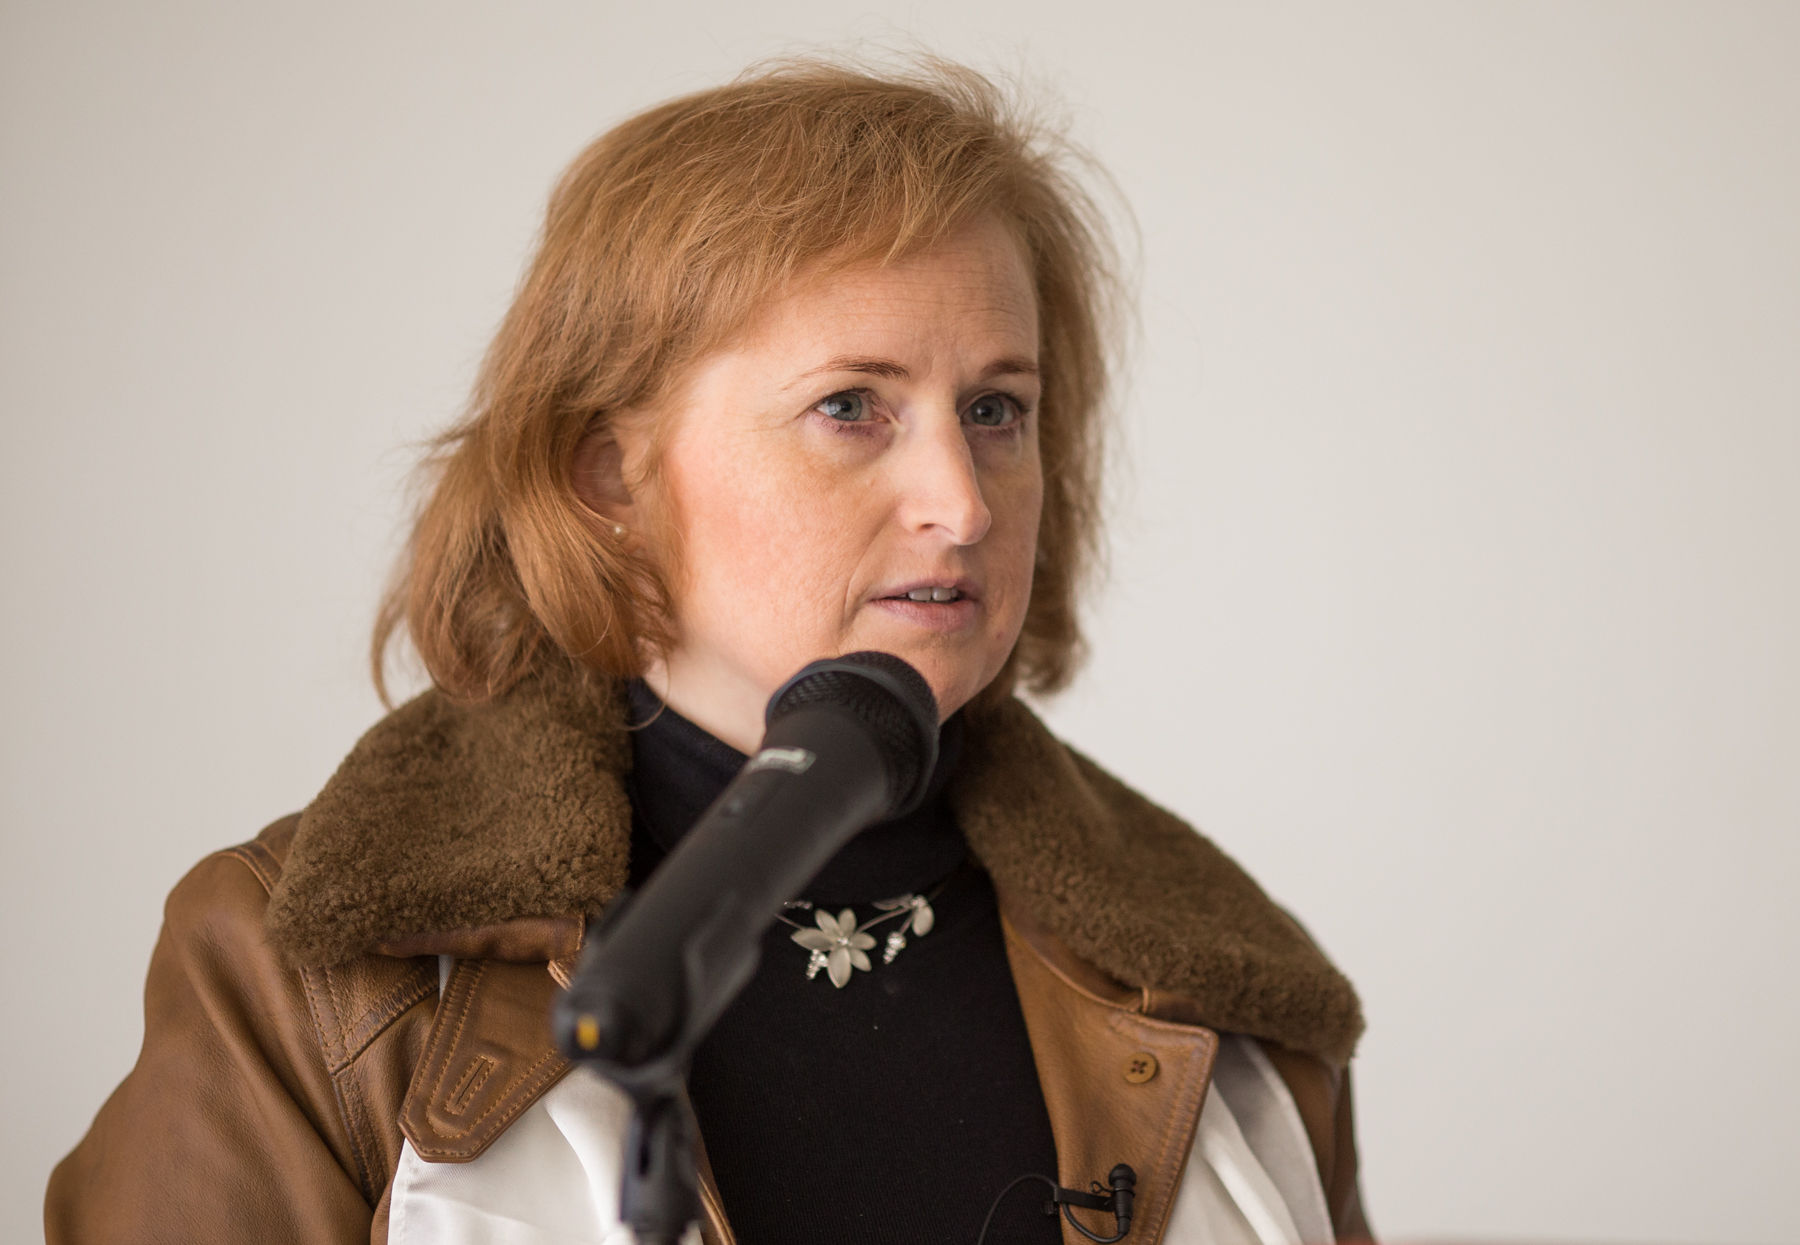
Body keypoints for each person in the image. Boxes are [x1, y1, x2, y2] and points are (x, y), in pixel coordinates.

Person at [47, 58, 1370, 1245]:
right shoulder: (310, 972)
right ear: (609, 471)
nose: (963, 503)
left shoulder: (1226, 981)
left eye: (997, 409)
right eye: (852, 406)